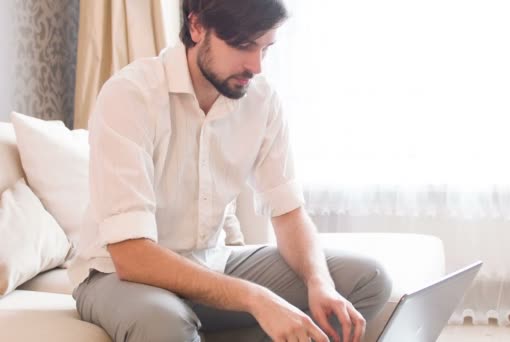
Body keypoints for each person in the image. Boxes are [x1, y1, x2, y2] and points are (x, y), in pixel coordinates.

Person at [68, 0, 392, 341]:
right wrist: (256, 297)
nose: (256, 66)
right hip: (117, 275)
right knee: (164, 323)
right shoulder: (131, 95)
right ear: (195, 27)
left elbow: (289, 212)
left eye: (265, 48)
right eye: (243, 45)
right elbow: (132, 256)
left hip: (212, 262)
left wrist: (320, 284)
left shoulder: (261, 100)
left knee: (367, 279)